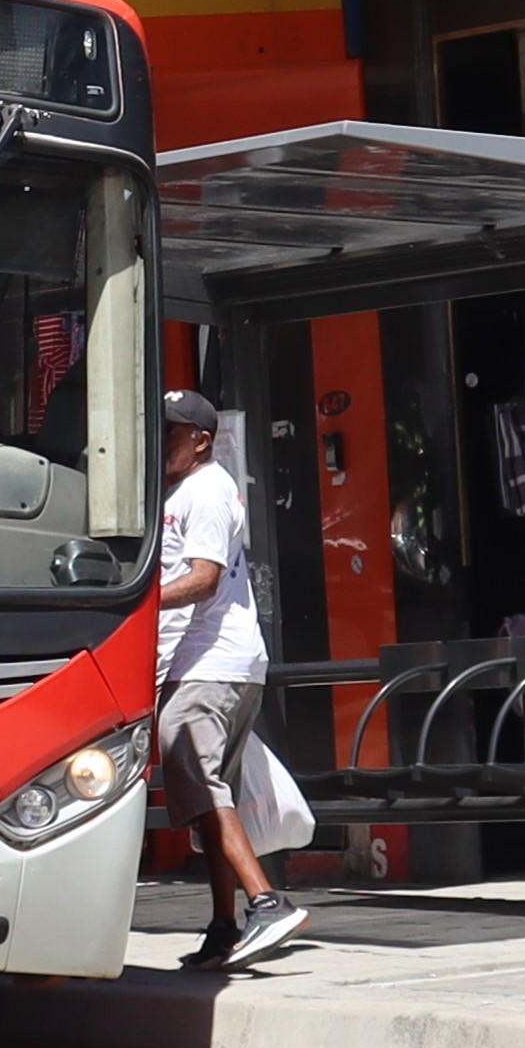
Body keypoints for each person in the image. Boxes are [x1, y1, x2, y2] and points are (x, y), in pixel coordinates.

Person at [156, 389, 306, 969]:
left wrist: (138, 602)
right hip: (215, 664)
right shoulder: (184, 489)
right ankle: (223, 926)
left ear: (201, 440)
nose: (161, 442)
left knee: (198, 779)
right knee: (210, 799)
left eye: (171, 433)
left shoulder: (207, 489)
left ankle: (267, 902)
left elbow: (204, 579)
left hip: (211, 662)